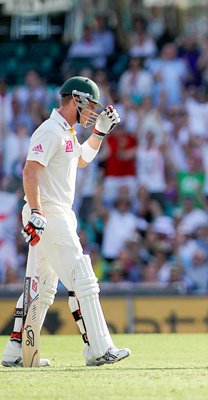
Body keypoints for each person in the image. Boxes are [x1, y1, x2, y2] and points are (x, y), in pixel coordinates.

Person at [2, 76, 131, 367]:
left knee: (42, 286)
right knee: (82, 279)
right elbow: (30, 170)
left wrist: (98, 132)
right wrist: (36, 211)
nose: (93, 112)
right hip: (49, 212)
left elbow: (81, 159)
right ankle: (99, 349)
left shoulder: (67, 132)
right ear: (78, 100)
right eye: (91, 106)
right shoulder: (50, 131)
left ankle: (15, 353)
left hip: (54, 214)